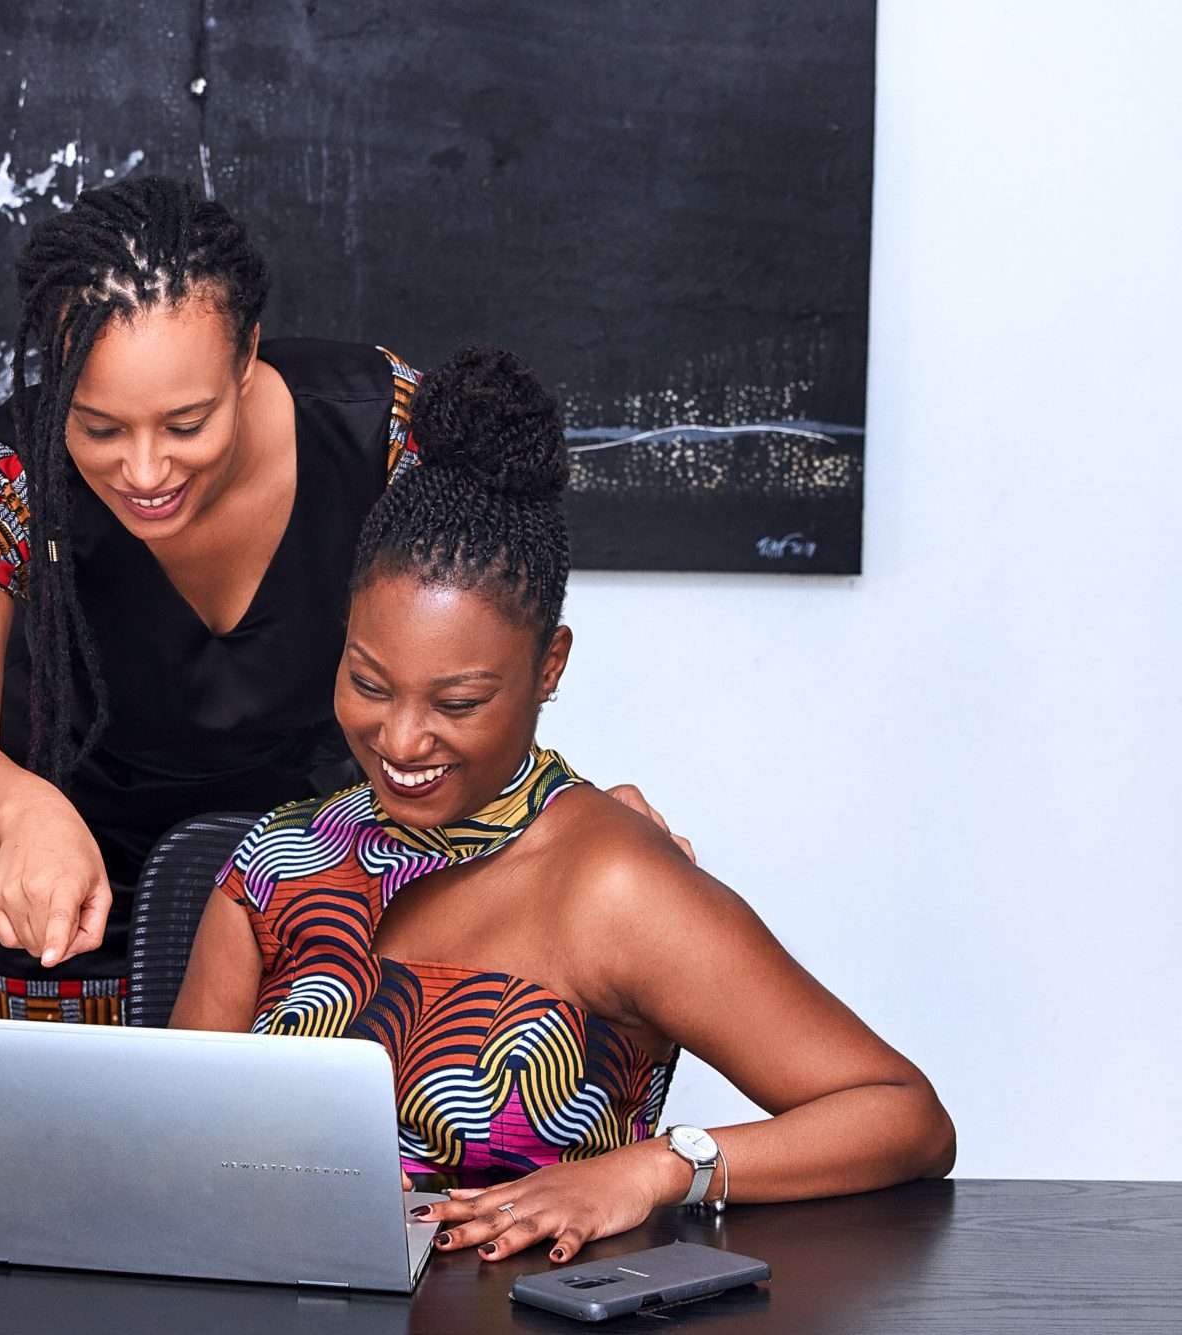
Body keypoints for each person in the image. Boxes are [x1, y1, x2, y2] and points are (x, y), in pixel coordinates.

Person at [170, 346, 955, 1265]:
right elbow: (176, 1145)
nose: (401, 738)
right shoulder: (276, 863)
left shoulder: (615, 884)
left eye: (458, 702)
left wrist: (660, 1168)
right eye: (368, 682)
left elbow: (905, 1117)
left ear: (550, 668)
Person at [0, 176, 684, 1020]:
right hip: (64, 914)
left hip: (321, 898)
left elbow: (482, 644)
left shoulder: (384, 431)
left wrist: (566, 818)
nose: (147, 470)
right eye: (99, 428)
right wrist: (22, 812)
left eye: (187, 423)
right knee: (82, 1154)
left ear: (248, 357)